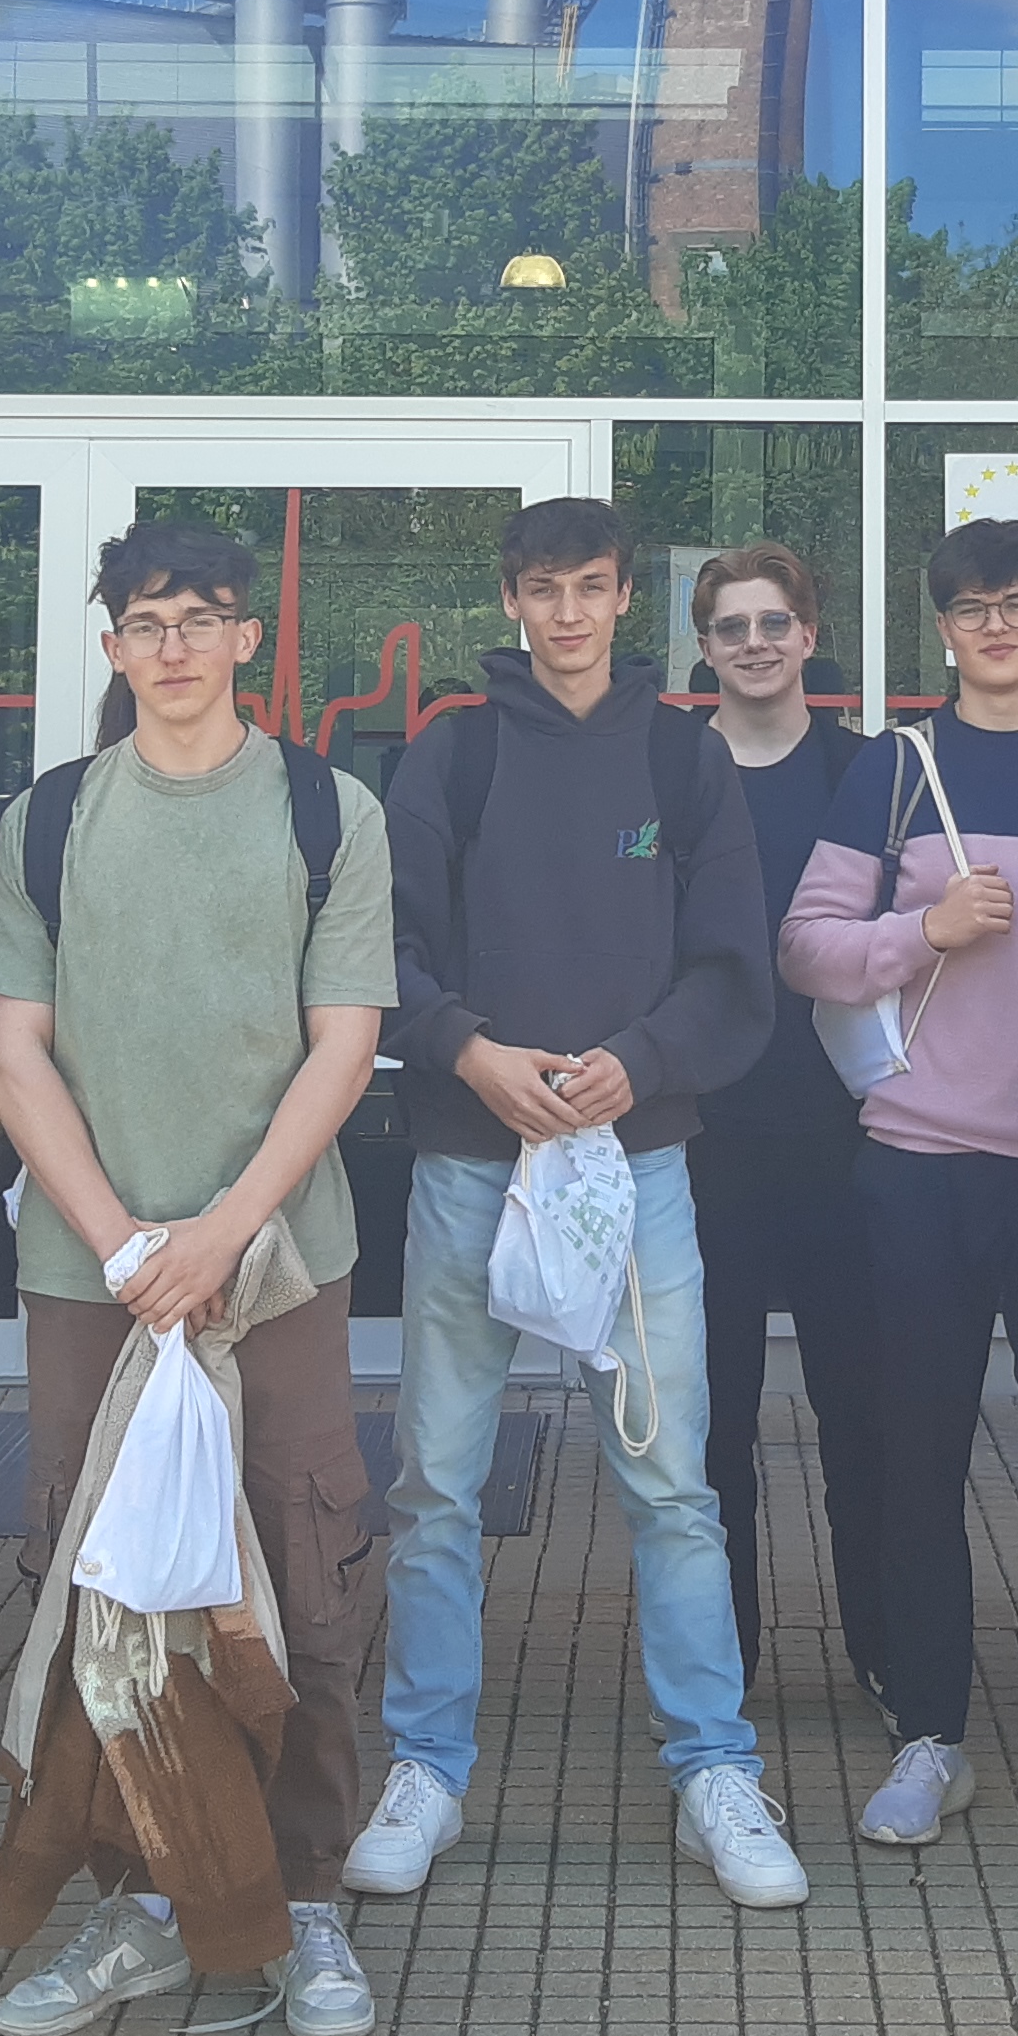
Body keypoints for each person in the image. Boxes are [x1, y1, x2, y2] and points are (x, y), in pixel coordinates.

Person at [0, 517, 400, 2036]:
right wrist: (123, 1242)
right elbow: (13, 1050)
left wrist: (219, 1234)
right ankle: (142, 1900)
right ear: (112, 646)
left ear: (246, 640)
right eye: (146, 624)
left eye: (202, 619)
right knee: (104, 1579)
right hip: (88, 1274)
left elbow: (344, 1044)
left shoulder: (329, 812)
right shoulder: (47, 820)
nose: (175, 648)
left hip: (279, 1266)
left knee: (300, 1566)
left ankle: (307, 1894)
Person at [346, 495, 805, 1916]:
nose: (566, 614)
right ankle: (425, 1766)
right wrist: (469, 1051)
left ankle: (715, 1766)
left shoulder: (683, 756)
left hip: (635, 1162)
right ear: (510, 599)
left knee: (672, 1483)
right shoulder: (454, 754)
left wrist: (640, 1064)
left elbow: (733, 965)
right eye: (543, 589)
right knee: (437, 1485)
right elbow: (381, 949)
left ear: (622, 600)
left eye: (591, 588)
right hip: (469, 1159)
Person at [779, 515, 1018, 1855]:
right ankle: (929, 1736)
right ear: (941, 630)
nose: (997, 626)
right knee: (916, 1458)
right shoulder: (896, 772)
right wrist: (919, 931)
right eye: (971, 608)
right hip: (919, 1170)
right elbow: (805, 947)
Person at [680, 544, 888, 1712]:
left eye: (775, 623)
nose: (755, 644)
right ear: (704, 647)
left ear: (810, 635)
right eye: (731, 627)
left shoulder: (866, 774)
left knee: (863, 1416)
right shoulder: (671, 780)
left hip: (848, 1138)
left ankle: (886, 1651)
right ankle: (724, 1667)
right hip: (701, 1142)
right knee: (709, 1432)